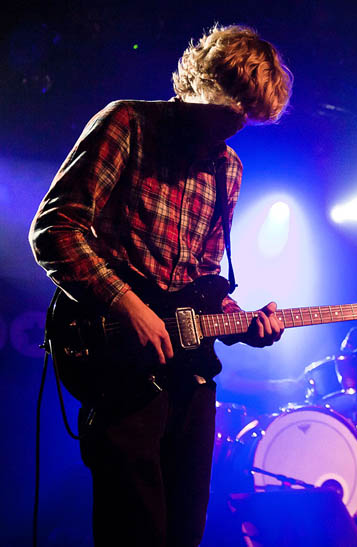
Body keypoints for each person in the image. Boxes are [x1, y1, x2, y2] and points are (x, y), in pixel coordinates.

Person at [29, 24, 292, 546]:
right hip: (117, 365)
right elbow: (54, 229)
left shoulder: (228, 169)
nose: (237, 124)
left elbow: (205, 280)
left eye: (248, 116)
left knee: (183, 534)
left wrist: (244, 323)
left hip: (189, 381)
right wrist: (127, 304)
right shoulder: (127, 124)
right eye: (232, 106)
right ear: (200, 82)